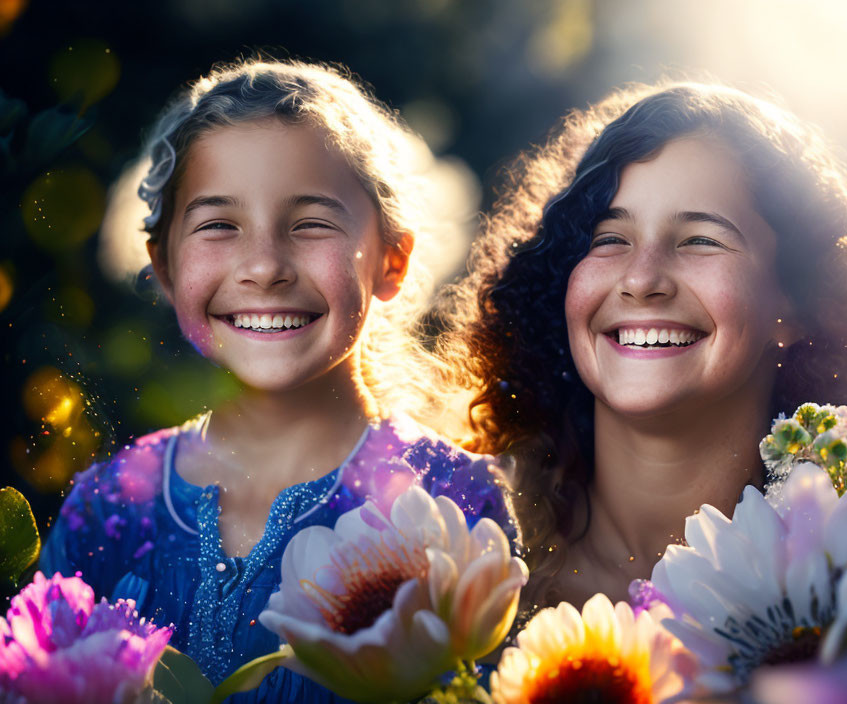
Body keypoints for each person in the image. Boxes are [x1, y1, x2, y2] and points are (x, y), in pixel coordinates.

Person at [40, 59, 515, 702]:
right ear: (165, 264)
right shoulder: (106, 508)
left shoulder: (448, 500)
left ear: (391, 260)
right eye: (218, 225)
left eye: (312, 222)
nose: (264, 266)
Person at [435, 80, 847, 609]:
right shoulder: (449, 556)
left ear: (796, 302)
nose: (641, 278)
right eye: (609, 239)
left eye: (700, 239)